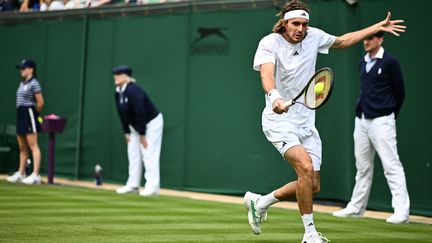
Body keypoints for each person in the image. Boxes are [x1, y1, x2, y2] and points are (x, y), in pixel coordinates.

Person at [244, 0, 406, 242]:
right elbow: (267, 74)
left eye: (304, 24)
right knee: (306, 169)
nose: (300, 28)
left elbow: (343, 40)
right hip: (279, 121)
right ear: (284, 23)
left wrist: (375, 27)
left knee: (312, 185)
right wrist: (274, 96)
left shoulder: (314, 37)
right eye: (295, 23)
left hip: (307, 124)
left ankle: (261, 201)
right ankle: (310, 235)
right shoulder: (269, 43)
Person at [332, 32, 409, 224]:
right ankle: (356, 208)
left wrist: (389, 114)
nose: (366, 41)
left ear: (380, 40)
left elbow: (400, 92)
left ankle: (402, 212)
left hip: (382, 120)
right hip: (362, 120)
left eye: (371, 38)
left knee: (392, 166)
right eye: (365, 38)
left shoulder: (390, 62)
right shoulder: (362, 62)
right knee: (363, 167)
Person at [113, 65, 163, 197]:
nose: (115, 77)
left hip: (151, 123)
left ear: (126, 77)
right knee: (133, 153)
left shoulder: (134, 91)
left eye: (118, 74)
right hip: (134, 126)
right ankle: (133, 185)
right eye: (115, 74)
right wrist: (126, 132)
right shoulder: (117, 91)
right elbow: (121, 113)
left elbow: (141, 113)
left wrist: (142, 134)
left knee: (148, 152)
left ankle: (153, 187)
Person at [7, 59, 45, 185]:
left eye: (24, 68)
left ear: (31, 69)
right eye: (21, 68)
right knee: (22, 147)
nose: (21, 70)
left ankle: (35, 175)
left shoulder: (35, 83)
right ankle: (21, 173)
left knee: (33, 145)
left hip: (29, 114)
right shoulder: (22, 83)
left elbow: (40, 102)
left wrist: (34, 115)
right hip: (20, 114)